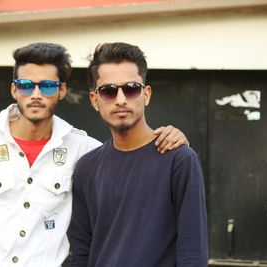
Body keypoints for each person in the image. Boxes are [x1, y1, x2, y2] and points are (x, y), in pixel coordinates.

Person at [0, 42, 189, 267]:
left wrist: (175, 139)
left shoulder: (82, 148)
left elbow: (126, 154)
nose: (36, 95)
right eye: (26, 85)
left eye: (47, 86)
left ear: (62, 90)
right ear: (14, 90)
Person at [67, 42, 208, 267]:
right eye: (109, 91)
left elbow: (193, 251)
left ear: (146, 94)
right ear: (95, 100)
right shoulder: (87, 168)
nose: (121, 99)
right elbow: (82, 252)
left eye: (131, 88)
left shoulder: (179, 160)